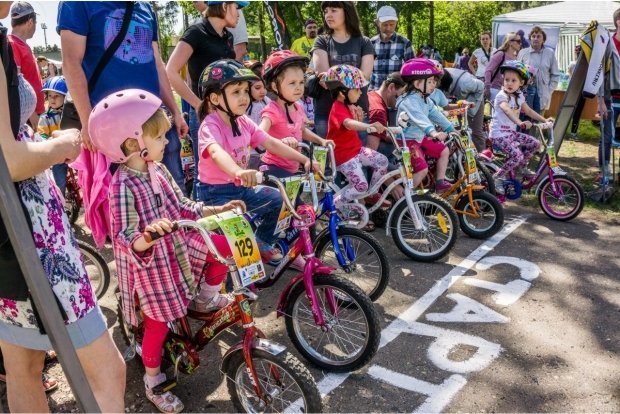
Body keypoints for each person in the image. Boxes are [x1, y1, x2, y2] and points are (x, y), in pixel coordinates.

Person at [0, 3, 126, 411]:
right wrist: (63, 144)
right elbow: (11, 161)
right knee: (108, 373)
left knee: (24, 369)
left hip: (16, 234)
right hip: (30, 236)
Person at [87, 89, 241, 413]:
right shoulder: (122, 186)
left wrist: (216, 210)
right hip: (150, 267)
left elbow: (183, 206)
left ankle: (205, 299)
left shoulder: (158, 170)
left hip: (177, 248)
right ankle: (153, 380)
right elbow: (128, 238)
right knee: (157, 325)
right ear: (132, 143)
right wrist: (148, 235)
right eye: (159, 137)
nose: (167, 143)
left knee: (223, 244)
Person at [58, 1, 189, 247]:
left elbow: (157, 63)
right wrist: (88, 122)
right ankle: (135, 279)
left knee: (173, 197)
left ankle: (174, 264)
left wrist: (175, 111)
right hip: (114, 129)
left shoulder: (145, 8)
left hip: (155, 120)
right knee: (126, 215)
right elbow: (70, 62)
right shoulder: (77, 4)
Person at [195, 59, 314, 262]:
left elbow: (270, 142)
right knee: (232, 251)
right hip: (216, 193)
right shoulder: (210, 125)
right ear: (215, 98)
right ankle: (225, 287)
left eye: (245, 91)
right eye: (236, 92)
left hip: (242, 187)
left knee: (280, 199)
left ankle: (263, 242)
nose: (244, 97)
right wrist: (238, 172)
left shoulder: (243, 121)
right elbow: (216, 152)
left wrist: (303, 158)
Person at [167, 1, 244, 197]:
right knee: (208, 174)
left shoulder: (228, 36)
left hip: (229, 115)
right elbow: (171, 71)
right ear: (225, 6)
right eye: (237, 7)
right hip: (205, 116)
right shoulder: (196, 32)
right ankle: (202, 219)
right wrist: (199, 104)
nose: (239, 14)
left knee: (230, 168)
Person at [324, 64, 390, 221]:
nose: (360, 92)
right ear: (342, 92)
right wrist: (369, 126)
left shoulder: (347, 106)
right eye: (356, 89)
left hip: (356, 151)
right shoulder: (337, 107)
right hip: (344, 157)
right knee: (360, 186)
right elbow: (347, 124)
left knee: (382, 161)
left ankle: (371, 194)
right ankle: (334, 204)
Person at [259, 50, 331, 177]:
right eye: (292, 83)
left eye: (301, 82)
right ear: (275, 87)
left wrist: (321, 141)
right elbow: (259, 134)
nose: (298, 87)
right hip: (274, 168)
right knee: (285, 197)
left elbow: (302, 130)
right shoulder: (272, 110)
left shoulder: (297, 107)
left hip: (294, 168)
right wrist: (281, 141)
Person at [310, 1, 374, 139]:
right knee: (329, 158)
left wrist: (349, 103)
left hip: (358, 112)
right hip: (326, 112)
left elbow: (364, 77)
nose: (328, 15)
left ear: (347, 11)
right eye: (326, 11)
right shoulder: (321, 41)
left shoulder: (364, 42)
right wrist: (347, 98)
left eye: (334, 10)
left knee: (357, 157)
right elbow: (324, 78)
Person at [488, 61, 552, 192]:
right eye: (507, 80)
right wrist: (520, 123)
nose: (509, 83)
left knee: (535, 144)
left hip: (510, 134)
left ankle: (522, 167)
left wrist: (544, 119)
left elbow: (528, 111)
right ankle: (497, 177)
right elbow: (506, 110)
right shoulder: (501, 96)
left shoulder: (519, 96)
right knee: (517, 155)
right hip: (498, 135)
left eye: (513, 80)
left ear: (521, 83)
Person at [397, 58, 455, 193]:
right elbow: (420, 118)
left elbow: (436, 114)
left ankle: (440, 181)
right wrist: (434, 133)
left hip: (419, 138)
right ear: (417, 83)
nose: (433, 85)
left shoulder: (424, 99)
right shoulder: (409, 100)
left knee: (443, 151)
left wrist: (451, 129)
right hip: (407, 141)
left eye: (434, 82)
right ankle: (405, 197)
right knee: (422, 170)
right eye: (429, 81)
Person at [367, 72, 407, 200]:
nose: (399, 102)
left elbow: (381, 135)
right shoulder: (378, 111)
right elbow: (371, 153)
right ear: (391, 88)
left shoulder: (373, 94)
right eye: (398, 96)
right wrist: (392, 184)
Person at [9, 1, 43, 127]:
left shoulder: (21, 45)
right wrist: (32, 114)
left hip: (32, 114)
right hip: (27, 116)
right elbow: (14, 84)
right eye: (35, 23)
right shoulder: (12, 44)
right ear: (30, 22)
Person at [438, 67, 486, 152]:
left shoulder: (466, 83)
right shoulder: (439, 75)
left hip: (472, 98)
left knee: (475, 130)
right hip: (456, 100)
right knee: (457, 130)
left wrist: (472, 108)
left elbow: (481, 86)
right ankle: (461, 157)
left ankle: (482, 157)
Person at [37, 76, 70, 194]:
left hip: (74, 153)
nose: (52, 99)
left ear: (65, 97)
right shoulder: (45, 118)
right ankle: (61, 203)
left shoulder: (71, 115)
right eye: (50, 96)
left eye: (56, 96)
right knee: (59, 182)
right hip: (58, 156)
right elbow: (41, 135)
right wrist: (48, 139)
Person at [369, 5, 414, 91]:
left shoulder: (404, 43)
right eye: (385, 25)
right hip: (374, 90)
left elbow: (411, 70)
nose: (388, 28)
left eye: (391, 24)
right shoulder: (371, 43)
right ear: (378, 23)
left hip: (396, 92)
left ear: (396, 23)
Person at [517, 26, 560, 115]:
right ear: (530, 39)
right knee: (524, 121)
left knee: (538, 122)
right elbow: (517, 73)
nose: (536, 38)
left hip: (542, 93)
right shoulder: (523, 52)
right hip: (525, 92)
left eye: (538, 36)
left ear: (543, 39)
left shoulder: (549, 53)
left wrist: (549, 91)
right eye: (533, 36)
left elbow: (555, 75)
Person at [485, 31, 521, 104]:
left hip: (508, 91)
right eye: (518, 41)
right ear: (510, 42)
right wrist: (487, 88)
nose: (520, 43)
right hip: (495, 90)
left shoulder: (516, 58)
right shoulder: (500, 54)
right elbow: (488, 70)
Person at [568, 44, 585, 141]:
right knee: (576, 113)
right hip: (578, 91)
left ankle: (572, 133)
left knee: (573, 112)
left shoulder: (573, 64)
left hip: (575, 91)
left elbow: (569, 75)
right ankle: (573, 133)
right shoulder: (573, 64)